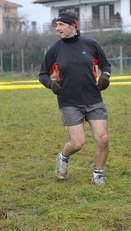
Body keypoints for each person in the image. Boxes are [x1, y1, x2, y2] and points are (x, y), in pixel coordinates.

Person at [38, 12, 111, 185]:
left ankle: (98, 175)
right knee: (77, 143)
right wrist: (51, 84)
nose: (57, 29)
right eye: (57, 25)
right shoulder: (55, 49)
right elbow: (42, 74)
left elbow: (105, 64)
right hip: (69, 102)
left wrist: (105, 76)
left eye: (61, 25)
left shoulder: (91, 44)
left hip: (93, 99)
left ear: (73, 26)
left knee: (103, 138)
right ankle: (63, 157)